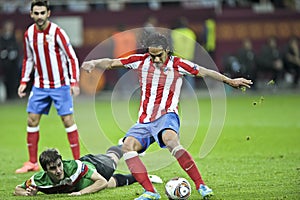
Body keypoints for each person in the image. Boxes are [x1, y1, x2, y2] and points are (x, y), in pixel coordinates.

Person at [81, 33, 252, 200]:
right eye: (152, 55)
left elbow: (205, 72)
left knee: (171, 141)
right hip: (145, 121)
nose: (155, 60)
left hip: (166, 116)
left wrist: (230, 81)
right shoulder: (140, 62)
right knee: (127, 146)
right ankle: (150, 192)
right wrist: (94, 62)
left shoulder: (178, 64)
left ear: (168, 50)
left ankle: (201, 185)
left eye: (159, 56)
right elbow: (111, 63)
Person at [16, 0, 81, 173]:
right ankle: (32, 162)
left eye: (42, 13)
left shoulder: (58, 33)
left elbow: (72, 58)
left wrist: (74, 81)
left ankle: (77, 162)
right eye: (36, 13)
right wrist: (24, 81)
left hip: (60, 85)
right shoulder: (29, 33)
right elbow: (28, 58)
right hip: (40, 85)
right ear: (31, 14)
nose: (39, 16)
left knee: (68, 121)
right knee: (32, 119)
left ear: (48, 13)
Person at [14, 145, 138, 196]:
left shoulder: (74, 167)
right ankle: (142, 177)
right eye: (52, 168)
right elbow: (17, 189)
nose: (58, 170)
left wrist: (80, 193)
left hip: (95, 165)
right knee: (113, 183)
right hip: (86, 181)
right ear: (45, 171)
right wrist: (28, 194)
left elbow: (101, 182)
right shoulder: (39, 180)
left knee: (112, 158)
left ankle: (126, 144)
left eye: (59, 165)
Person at [0, 20, 20, 100]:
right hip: (4, 63)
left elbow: (17, 48)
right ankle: (8, 95)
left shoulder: (14, 37)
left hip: (13, 63)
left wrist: (14, 53)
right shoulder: (2, 38)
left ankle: (13, 95)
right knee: (6, 79)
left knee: (14, 79)